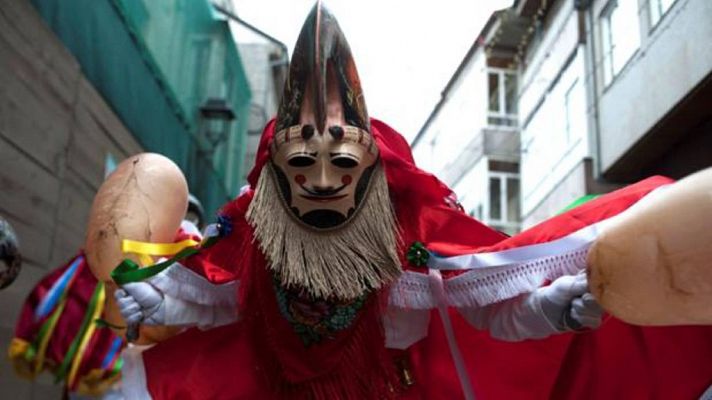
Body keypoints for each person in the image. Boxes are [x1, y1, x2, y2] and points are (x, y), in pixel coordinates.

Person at [114, 3, 712, 399]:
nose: (321, 180)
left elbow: (484, 311)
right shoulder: (258, 244)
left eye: (341, 161)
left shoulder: (404, 252)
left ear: (371, 167)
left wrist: (551, 309)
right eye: (301, 162)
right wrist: (157, 301)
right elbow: (222, 303)